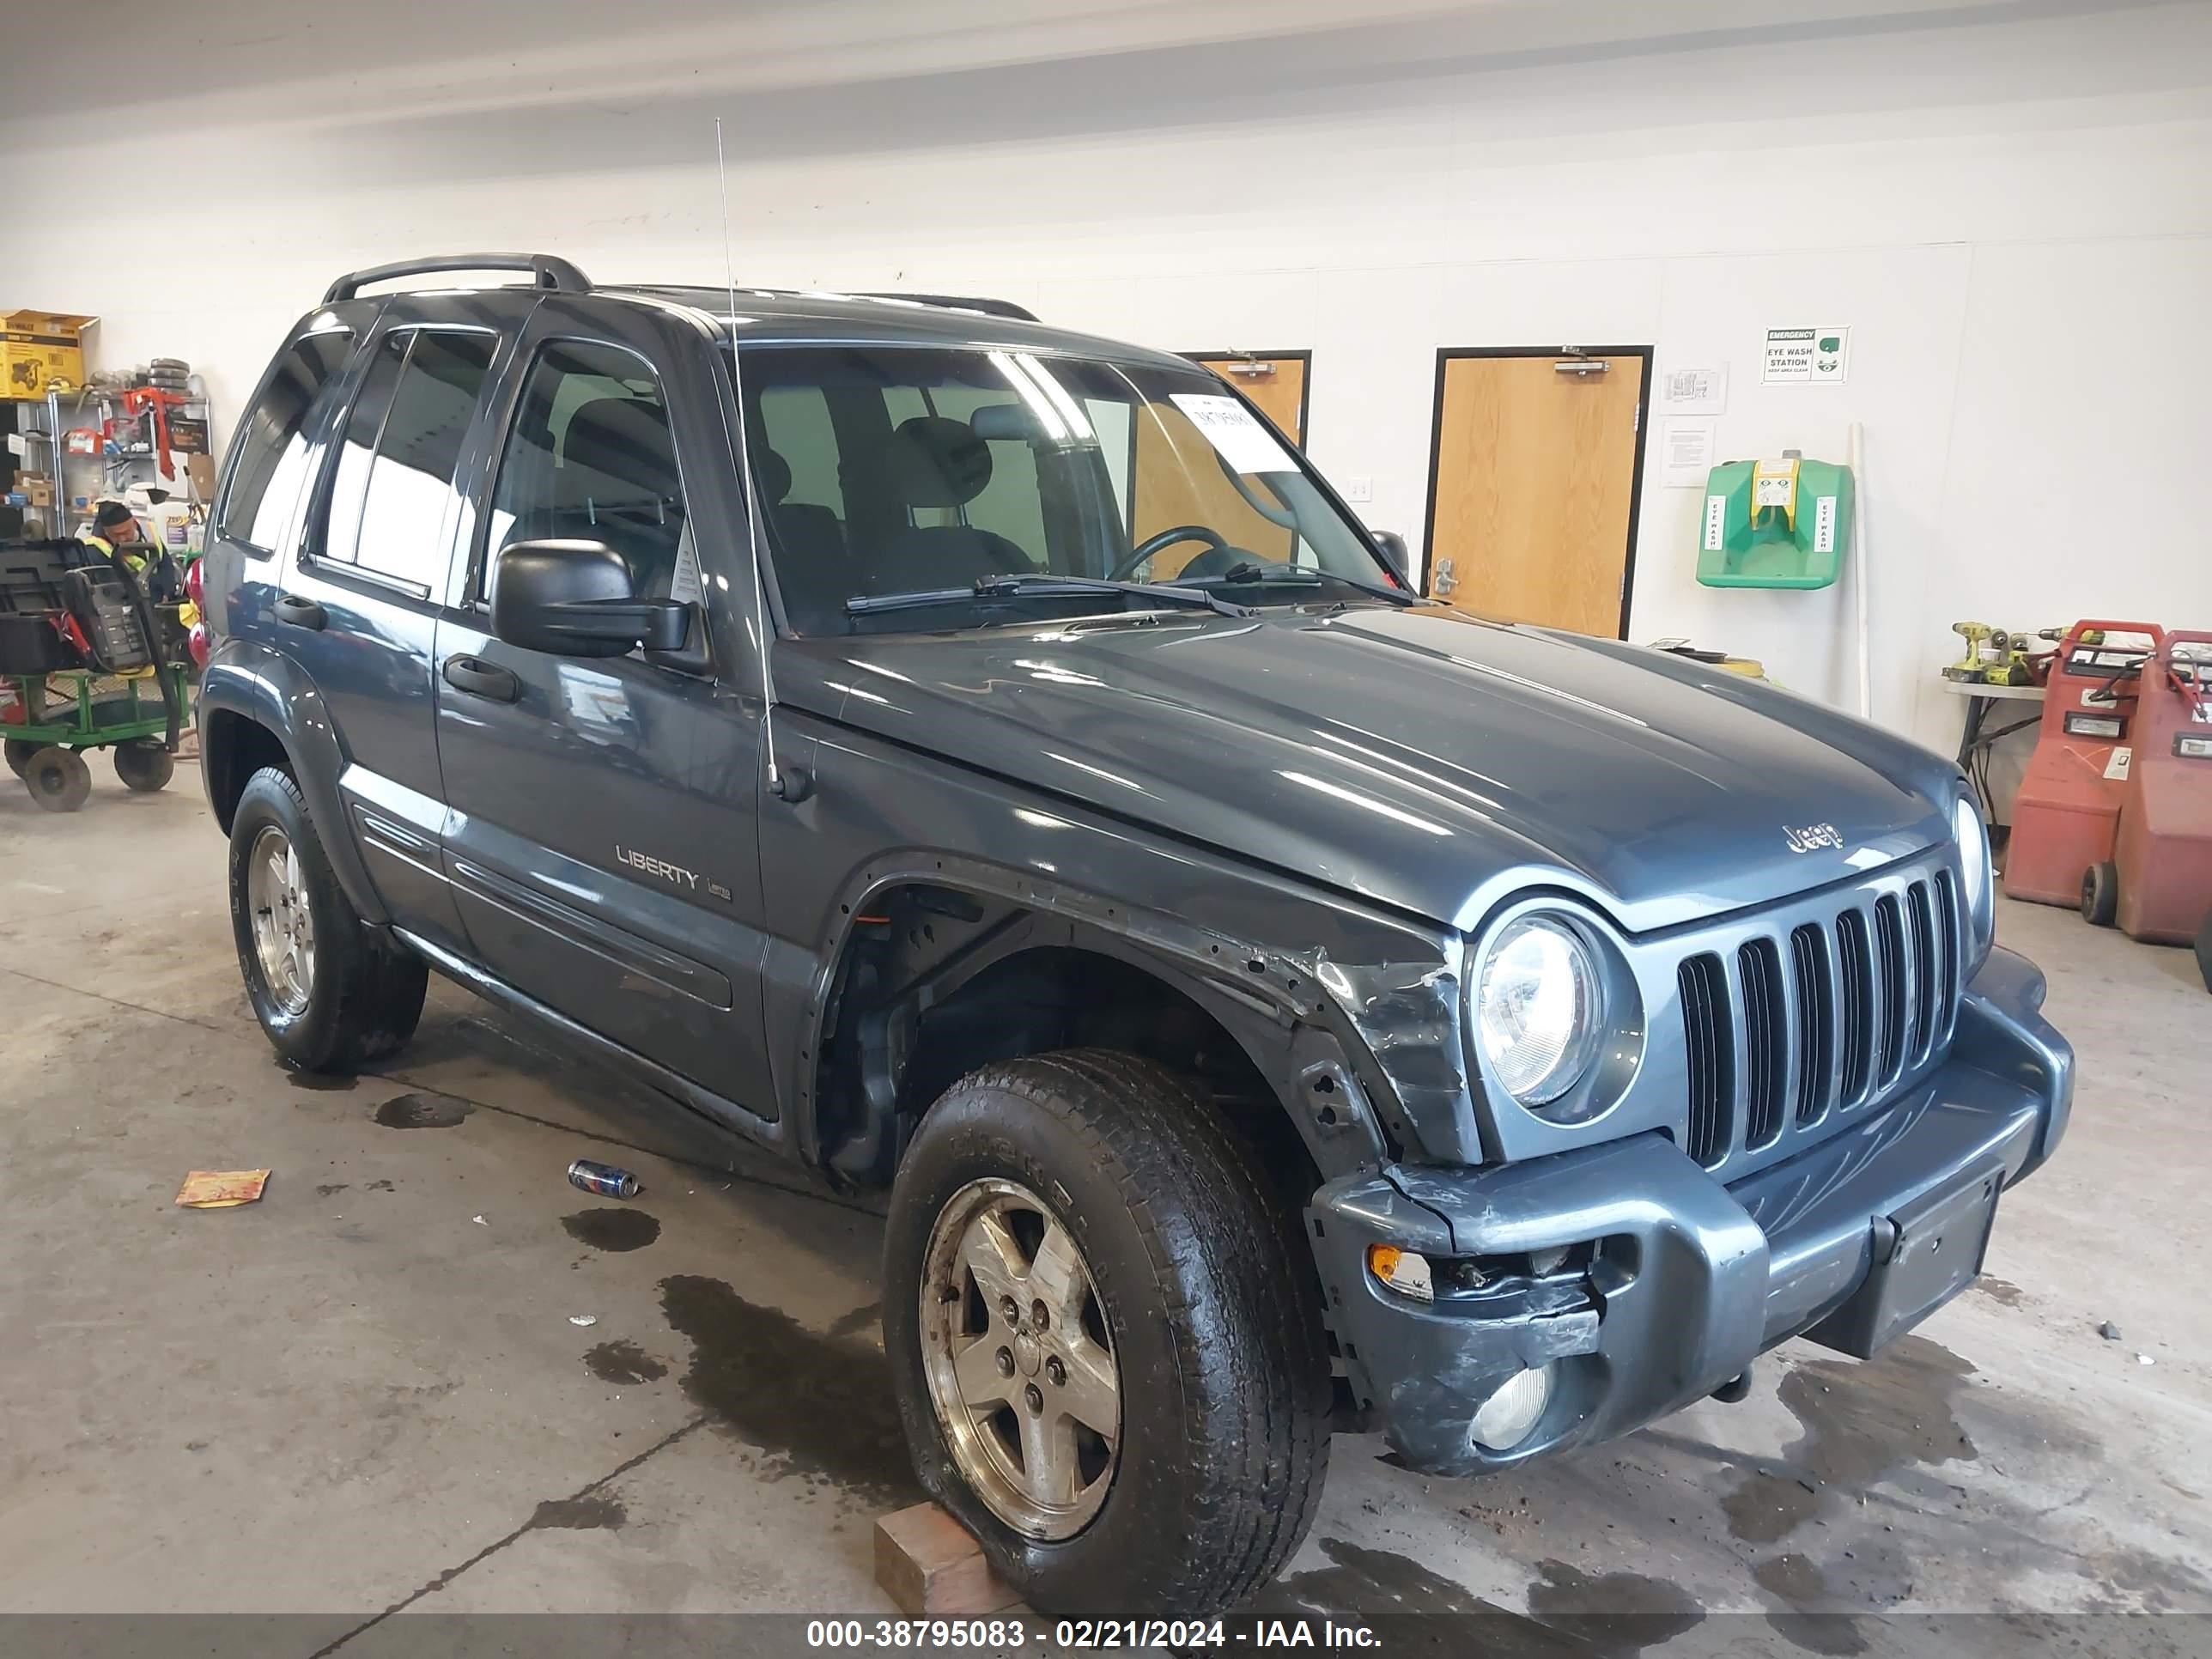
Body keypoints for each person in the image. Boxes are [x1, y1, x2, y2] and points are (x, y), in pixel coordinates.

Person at [87, 500, 182, 601]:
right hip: (132, 603)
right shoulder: (95, 548)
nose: (122, 539)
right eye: (116, 535)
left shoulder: (149, 532)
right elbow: (115, 585)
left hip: (159, 598)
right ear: (106, 532)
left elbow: (165, 564)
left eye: (126, 532)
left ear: (134, 523)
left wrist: (167, 594)